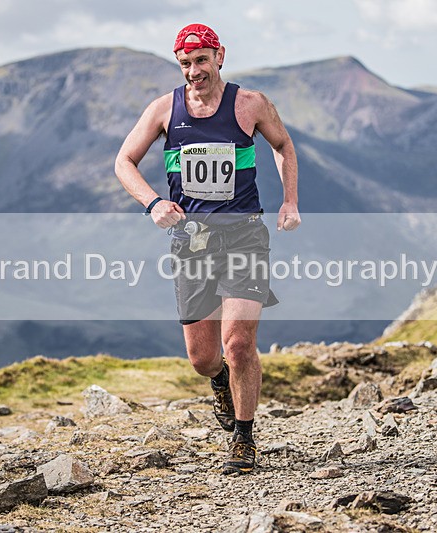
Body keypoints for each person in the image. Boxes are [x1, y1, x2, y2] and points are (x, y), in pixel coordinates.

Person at [115, 23, 300, 474]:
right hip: (191, 241)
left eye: (201, 61)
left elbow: (283, 145)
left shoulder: (250, 104)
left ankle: (243, 437)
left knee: (238, 344)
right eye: (185, 64)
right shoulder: (164, 110)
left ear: (220, 56)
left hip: (244, 235)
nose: (194, 72)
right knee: (203, 359)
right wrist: (153, 202)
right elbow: (124, 162)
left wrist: (290, 200)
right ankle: (218, 381)